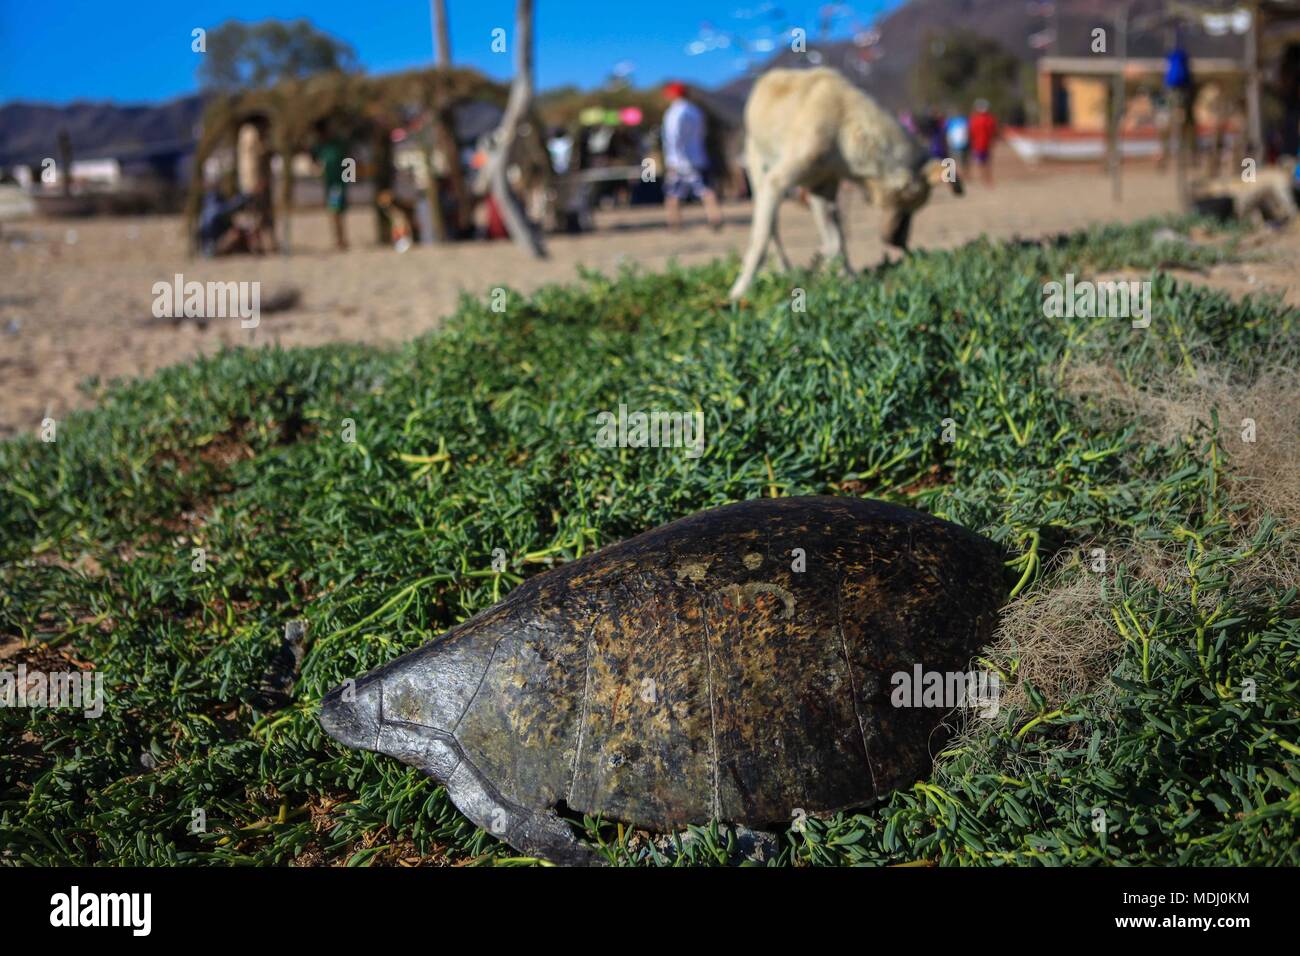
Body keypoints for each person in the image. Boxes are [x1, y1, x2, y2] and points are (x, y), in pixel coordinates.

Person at [661, 81, 722, 231]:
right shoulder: (695, 111)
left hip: (679, 160)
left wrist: (673, 158)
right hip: (698, 156)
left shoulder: (674, 112)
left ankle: (674, 224)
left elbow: (673, 136)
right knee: (706, 190)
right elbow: (703, 133)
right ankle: (715, 218)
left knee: (673, 194)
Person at [313, 119, 350, 251]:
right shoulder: (321, 146)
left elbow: (348, 160)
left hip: (338, 184)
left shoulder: (338, 144)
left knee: (336, 210)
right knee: (334, 211)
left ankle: (341, 239)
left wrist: (348, 179)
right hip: (329, 184)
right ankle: (339, 239)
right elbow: (317, 164)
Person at [969, 99, 998, 186]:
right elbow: (994, 132)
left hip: (979, 145)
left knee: (981, 163)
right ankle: (987, 179)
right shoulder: (989, 119)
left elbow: (971, 132)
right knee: (986, 162)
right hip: (984, 144)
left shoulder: (975, 119)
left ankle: (984, 179)